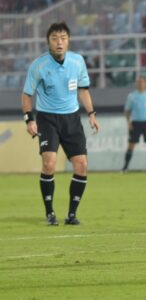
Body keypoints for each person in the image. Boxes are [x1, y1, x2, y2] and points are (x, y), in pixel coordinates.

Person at [21, 22, 100, 226]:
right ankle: (50, 213)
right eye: (55, 38)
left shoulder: (77, 61)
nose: (59, 42)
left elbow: (83, 89)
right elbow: (27, 94)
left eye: (63, 38)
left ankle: (72, 215)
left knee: (82, 165)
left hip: (71, 118)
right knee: (49, 163)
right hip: (47, 118)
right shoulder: (39, 65)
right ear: (48, 41)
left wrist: (91, 113)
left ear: (68, 41)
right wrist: (29, 119)